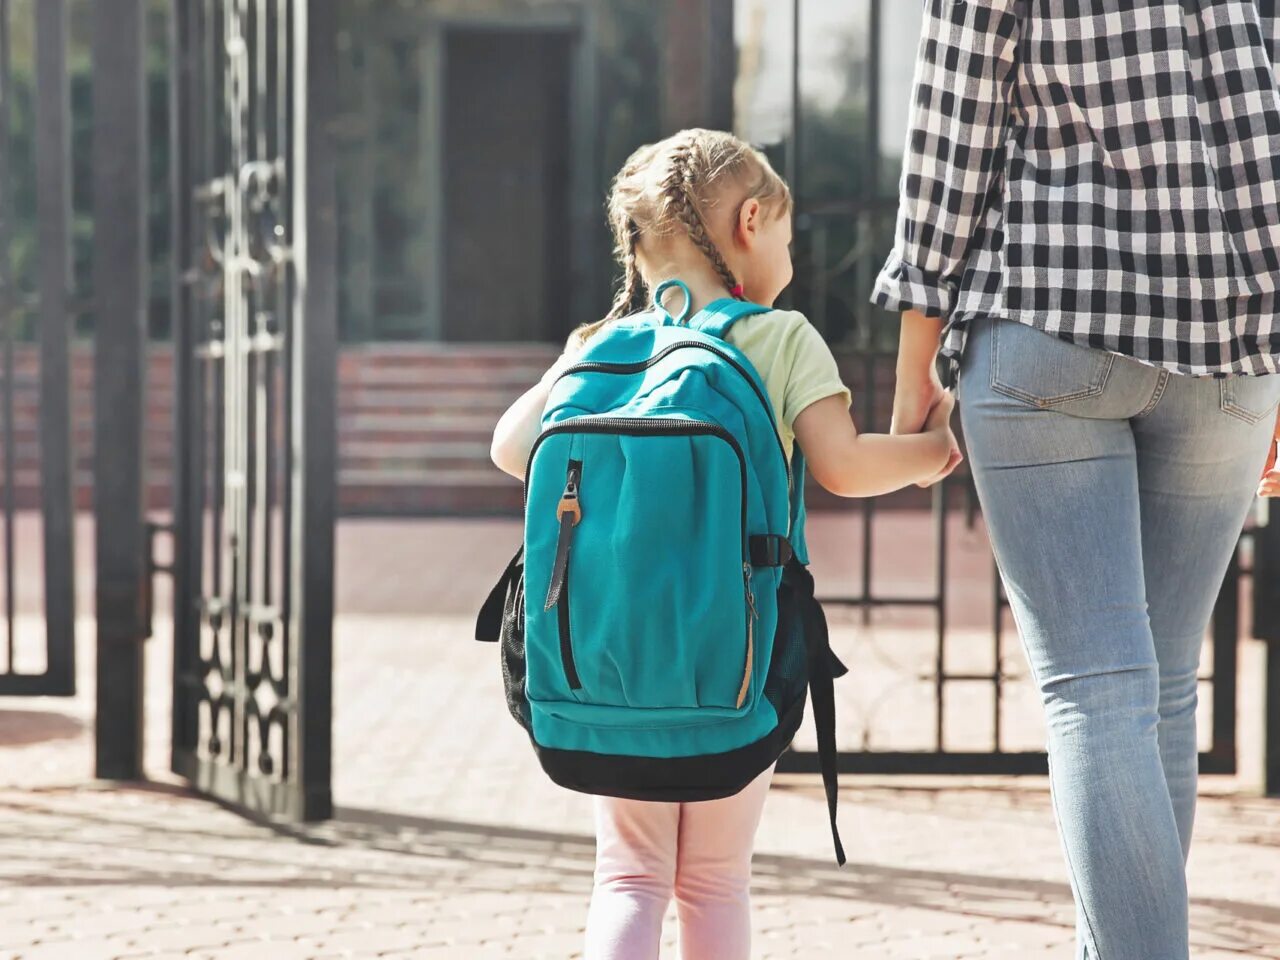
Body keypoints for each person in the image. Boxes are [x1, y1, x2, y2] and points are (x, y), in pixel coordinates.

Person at [489, 128, 959, 960]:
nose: (787, 249)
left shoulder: (598, 348)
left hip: (600, 670)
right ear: (750, 221)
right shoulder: (778, 338)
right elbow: (844, 469)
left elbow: (508, 449)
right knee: (712, 880)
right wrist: (932, 456)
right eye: (782, 228)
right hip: (732, 665)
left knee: (627, 878)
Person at [877, 3, 1280, 957]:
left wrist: (912, 377)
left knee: (1099, 689)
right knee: (1164, 686)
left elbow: (952, 127)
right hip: (1231, 354)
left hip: (1052, 322)